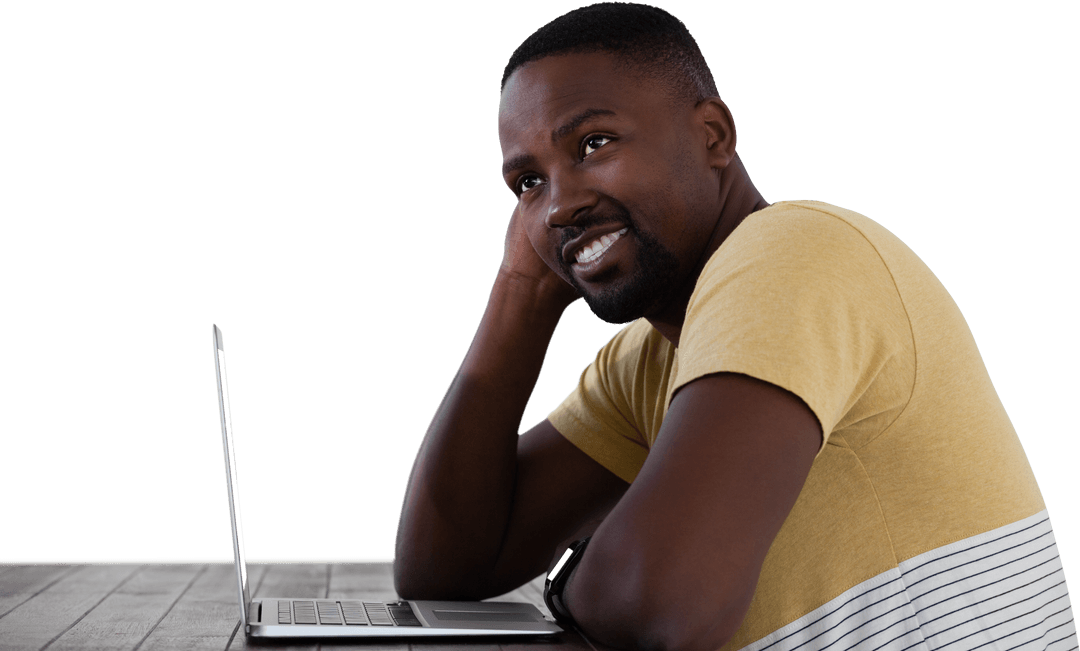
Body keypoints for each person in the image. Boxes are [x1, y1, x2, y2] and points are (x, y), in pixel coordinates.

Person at [393, 4, 1076, 651]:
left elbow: (664, 599)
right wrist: (520, 294)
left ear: (713, 136)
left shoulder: (793, 252)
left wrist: (565, 580)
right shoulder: (647, 360)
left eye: (593, 143)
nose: (559, 205)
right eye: (527, 184)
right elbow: (442, 568)